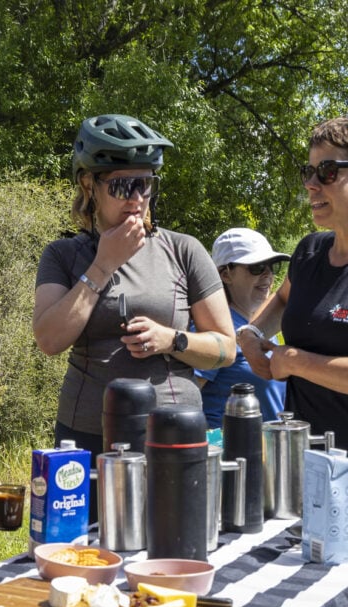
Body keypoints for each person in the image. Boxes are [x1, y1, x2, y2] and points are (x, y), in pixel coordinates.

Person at [33, 114, 235, 519]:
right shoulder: (63, 255)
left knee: (174, 543)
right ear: (88, 185)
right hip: (87, 435)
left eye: (145, 184)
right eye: (123, 185)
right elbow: (49, 340)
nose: (137, 198)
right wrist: (103, 265)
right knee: (85, 550)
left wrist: (173, 339)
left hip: (173, 430)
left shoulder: (183, 250)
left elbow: (225, 349)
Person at [239, 116, 348, 449]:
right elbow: (285, 300)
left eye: (327, 171)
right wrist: (250, 334)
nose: (311, 184)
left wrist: (296, 362)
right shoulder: (309, 251)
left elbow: (295, 359)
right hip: (304, 459)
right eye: (308, 171)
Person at [194, 228, 289, 427]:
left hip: (269, 443)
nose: (268, 274)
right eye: (257, 267)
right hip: (227, 445)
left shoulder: (263, 327)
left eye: (272, 266)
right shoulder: (211, 328)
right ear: (225, 274)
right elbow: (188, 400)